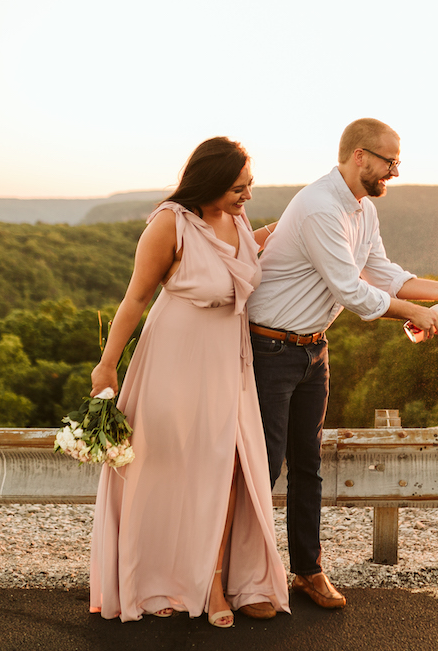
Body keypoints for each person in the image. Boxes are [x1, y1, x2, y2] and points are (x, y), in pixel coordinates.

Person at [247, 118, 438, 609]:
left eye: (397, 162)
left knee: (308, 467)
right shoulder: (318, 207)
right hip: (270, 352)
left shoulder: (361, 209)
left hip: (313, 351)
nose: (394, 172)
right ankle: (247, 582)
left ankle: (307, 572)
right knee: (263, 468)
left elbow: (382, 272)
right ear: (360, 156)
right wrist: (418, 312)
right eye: (389, 162)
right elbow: (351, 291)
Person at [89, 137, 289, 628]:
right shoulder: (168, 224)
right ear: (213, 182)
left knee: (226, 470)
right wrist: (107, 364)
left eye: (250, 186)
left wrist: (298, 224)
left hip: (227, 361)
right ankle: (165, 578)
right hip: (174, 360)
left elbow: (240, 251)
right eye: (239, 187)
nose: (247, 196)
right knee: (170, 468)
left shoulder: (238, 221)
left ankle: (216, 581)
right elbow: (135, 299)